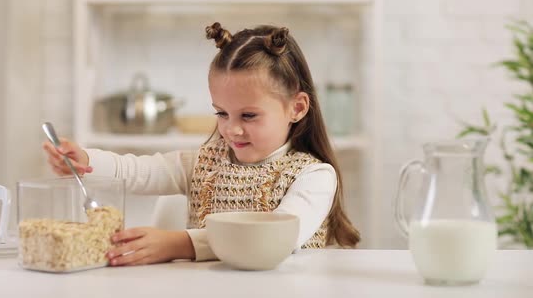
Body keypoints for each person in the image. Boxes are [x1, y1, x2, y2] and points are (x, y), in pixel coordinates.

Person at [43, 22, 360, 266]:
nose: (231, 129)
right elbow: (137, 170)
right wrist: (83, 161)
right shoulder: (205, 163)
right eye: (221, 113)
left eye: (248, 115)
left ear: (297, 107)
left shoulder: (315, 176)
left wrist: (181, 244)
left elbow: (273, 236)